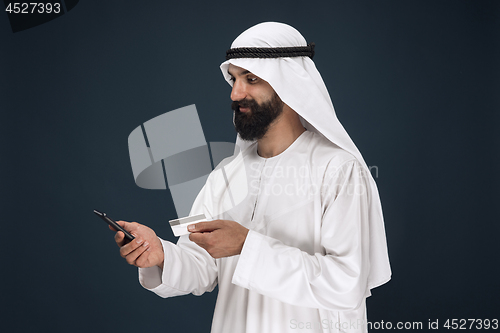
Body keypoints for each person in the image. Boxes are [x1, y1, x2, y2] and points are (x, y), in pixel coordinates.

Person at [111, 22, 391, 333]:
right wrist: (162, 255)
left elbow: (345, 283)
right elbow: (202, 265)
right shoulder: (226, 176)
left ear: (288, 84)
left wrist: (246, 245)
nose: (235, 92)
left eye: (251, 79)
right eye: (233, 79)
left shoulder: (338, 169)